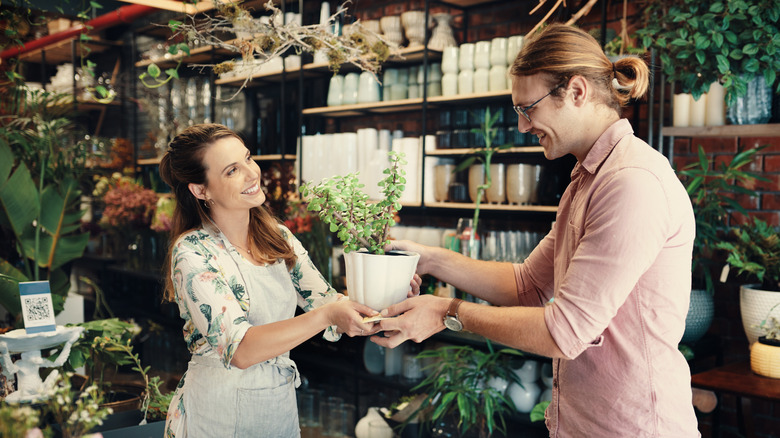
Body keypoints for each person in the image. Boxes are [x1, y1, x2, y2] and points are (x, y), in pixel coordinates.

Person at [373, 24, 699, 437]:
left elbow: (565, 332)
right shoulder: (587, 179)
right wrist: (432, 258)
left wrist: (447, 312)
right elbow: (527, 284)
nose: (524, 126)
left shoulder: (631, 182)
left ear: (576, 92)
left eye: (529, 109)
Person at [158, 123, 379, 437]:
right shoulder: (193, 252)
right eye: (233, 170)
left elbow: (328, 304)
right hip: (215, 413)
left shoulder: (276, 237)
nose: (252, 174)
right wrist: (328, 315)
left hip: (276, 408)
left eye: (248, 158)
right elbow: (241, 350)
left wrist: (382, 293)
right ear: (200, 190)